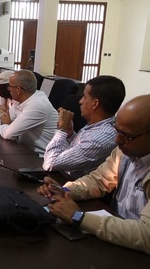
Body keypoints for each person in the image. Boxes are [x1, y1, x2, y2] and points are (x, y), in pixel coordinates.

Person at [38, 94, 150, 255]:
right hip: (117, 235)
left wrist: (78, 217)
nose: (117, 140)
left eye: (128, 136)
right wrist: (67, 190)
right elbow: (98, 180)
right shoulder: (124, 152)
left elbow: (146, 235)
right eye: (117, 131)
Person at [42, 75, 126, 178]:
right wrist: (70, 134)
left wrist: (61, 130)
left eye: (84, 97)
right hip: (65, 179)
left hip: (73, 188)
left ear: (95, 103)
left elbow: (50, 164)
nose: (80, 101)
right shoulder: (97, 125)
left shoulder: (99, 139)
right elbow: (78, 149)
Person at [0, 70, 57, 156]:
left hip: (41, 158)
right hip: (24, 150)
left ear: (18, 89)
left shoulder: (37, 106)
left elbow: (8, 134)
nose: (8, 89)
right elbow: (5, 120)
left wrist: (5, 124)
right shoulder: (20, 100)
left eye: (10, 86)